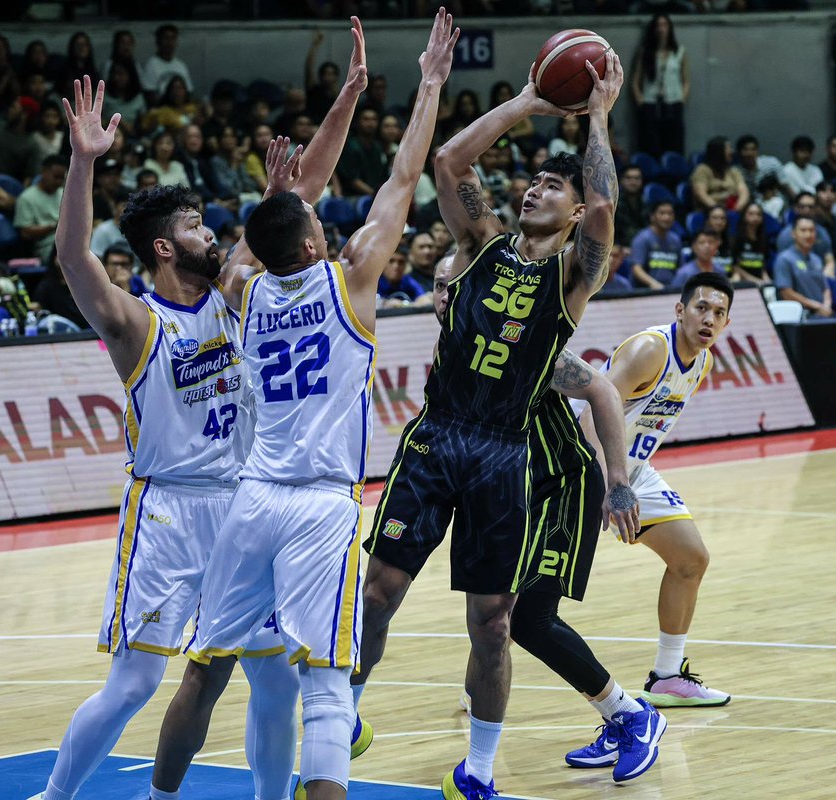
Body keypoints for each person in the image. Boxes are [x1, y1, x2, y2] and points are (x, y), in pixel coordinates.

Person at [27, 63, 361, 800]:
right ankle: (54, 797)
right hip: (168, 513)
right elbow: (73, 257)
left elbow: (301, 200)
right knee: (135, 682)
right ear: (164, 248)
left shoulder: (236, 291)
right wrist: (83, 161)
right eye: (194, 227)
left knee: (276, 679)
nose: (212, 234)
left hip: (246, 505)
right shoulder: (136, 322)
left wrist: (348, 96)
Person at [358, 43, 639, 799]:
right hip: (437, 436)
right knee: (377, 594)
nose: (537, 188)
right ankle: (341, 715)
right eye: (534, 179)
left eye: (555, 186)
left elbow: (605, 208)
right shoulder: (479, 242)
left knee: (493, 623)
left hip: (503, 454)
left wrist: (599, 116)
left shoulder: (575, 272)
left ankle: (478, 769)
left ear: (573, 212)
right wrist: (528, 101)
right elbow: (450, 160)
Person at [147, 16, 392, 800]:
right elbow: (316, 205)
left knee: (216, 673)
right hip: (302, 496)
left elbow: (287, 216)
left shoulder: (239, 289)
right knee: (314, 681)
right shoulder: (320, 284)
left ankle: (170, 796)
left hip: (249, 496)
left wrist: (281, 192)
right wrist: (352, 97)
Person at [565, 272, 734, 725]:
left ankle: (666, 677)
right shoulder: (650, 350)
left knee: (690, 559)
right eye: (701, 308)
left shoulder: (702, 362)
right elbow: (592, 414)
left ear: (726, 323)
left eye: (719, 313)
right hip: (583, 464)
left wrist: (625, 477)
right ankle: (480, 683)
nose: (709, 319)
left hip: (631, 470)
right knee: (530, 591)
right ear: (680, 310)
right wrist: (607, 484)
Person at [773, 216, 836, 346]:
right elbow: (786, 293)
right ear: (793, 234)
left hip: (824, 312)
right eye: (803, 230)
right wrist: (816, 306)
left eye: (811, 230)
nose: (808, 235)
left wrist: (826, 305)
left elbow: (825, 288)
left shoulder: (816, 259)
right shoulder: (784, 259)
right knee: (830, 327)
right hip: (803, 315)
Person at [630, 13, 688, 156]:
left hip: (673, 103)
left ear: (670, 28)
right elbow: (635, 80)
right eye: (658, 25)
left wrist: (682, 99)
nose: (661, 29)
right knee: (650, 146)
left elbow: (686, 80)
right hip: (650, 103)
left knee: (674, 146)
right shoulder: (645, 51)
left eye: (664, 25)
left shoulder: (679, 51)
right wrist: (641, 102)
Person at [15, 155, 67, 264]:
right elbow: (25, 232)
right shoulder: (27, 197)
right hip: (47, 246)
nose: (59, 182)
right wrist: (54, 226)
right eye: (56, 177)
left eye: (62, 178)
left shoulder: (64, 193)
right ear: (44, 172)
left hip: (68, 239)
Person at [630, 199, 682, 289]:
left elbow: (681, 269)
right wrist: (653, 284)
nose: (667, 217)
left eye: (670, 214)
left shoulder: (675, 239)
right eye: (662, 213)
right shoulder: (642, 238)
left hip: (670, 290)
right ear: (652, 216)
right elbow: (636, 268)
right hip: (647, 290)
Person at [690, 136, 747, 212]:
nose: (732, 152)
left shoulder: (733, 171)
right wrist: (718, 210)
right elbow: (701, 194)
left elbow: (744, 191)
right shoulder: (702, 170)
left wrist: (738, 207)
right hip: (710, 212)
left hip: (733, 210)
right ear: (719, 152)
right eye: (729, 148)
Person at [141, 24, 193, 99]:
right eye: (166, 38)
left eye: (173, 38)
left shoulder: (181, 65)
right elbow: (150, 96)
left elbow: (189, 92)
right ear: (158, 42)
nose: (170, 43)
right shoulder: (151, 65)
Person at [731, 201, 770, 282]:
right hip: (742, 280)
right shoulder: (737, 239)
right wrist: (755, 281)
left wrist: (768, 282)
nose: (755, 217)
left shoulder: (764, 239)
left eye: (758, 214)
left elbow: (762, 266)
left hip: (759, 281)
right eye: (751, 214)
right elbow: (735, 267)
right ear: (744, 216)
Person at [735, 134, 781, 199]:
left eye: (753, 149)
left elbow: (785, 183)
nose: (750, 153)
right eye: (745, 150)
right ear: (739, 152)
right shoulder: (736, 172)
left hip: (777, 200)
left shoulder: (771, 163)